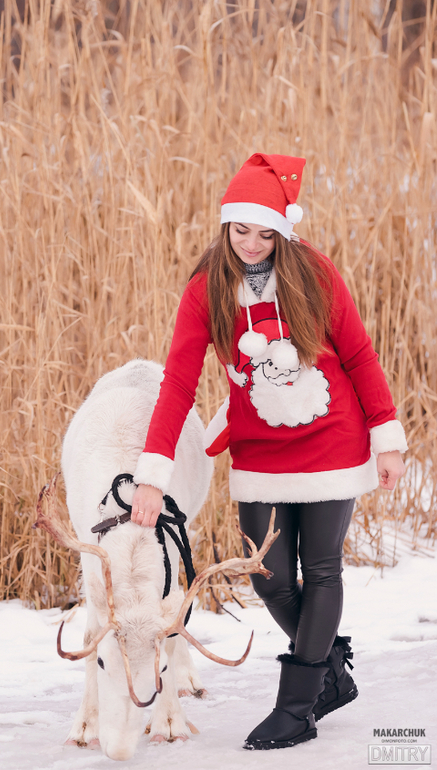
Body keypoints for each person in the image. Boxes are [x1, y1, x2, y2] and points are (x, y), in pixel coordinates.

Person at [130, 154, 407, 750]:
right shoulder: (206, 290)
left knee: (324, 567)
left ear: (283, 231)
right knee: (268, 575)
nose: (252, 243)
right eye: (241, 230)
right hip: (259, 450)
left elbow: (358, 356)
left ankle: (298, 706)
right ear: (225, 227)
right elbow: (177, 384)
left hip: (331, 435)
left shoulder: (316, 274)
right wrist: (152, 475)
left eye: (265, 232)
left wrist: (386, 434)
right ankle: (330, 668)